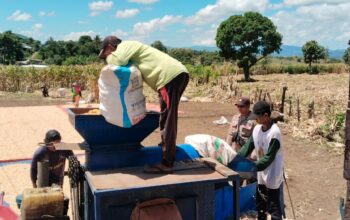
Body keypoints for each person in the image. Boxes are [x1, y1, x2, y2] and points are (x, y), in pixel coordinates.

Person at [99, 36, 189, 173]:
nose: (106, 58)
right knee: (169, 115)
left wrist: (109, 59)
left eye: (106, 53)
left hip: (168, 77)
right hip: (175, 74)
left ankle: (167, 162)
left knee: (167, 119)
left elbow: (117, 61)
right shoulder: (130, 49)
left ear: (110, 47)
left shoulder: (125, 46)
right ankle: (168, 147)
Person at [238, 101, 284, 220]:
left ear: (266, 115)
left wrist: (250, 167)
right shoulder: (257, 129)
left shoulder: (274, 133)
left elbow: (268, 158)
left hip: (273, 172)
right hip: (261, 172)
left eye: (257, 117)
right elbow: (248, 147)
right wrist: (236, 159)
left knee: (273, 205)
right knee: (260, 201)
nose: (255, 120)